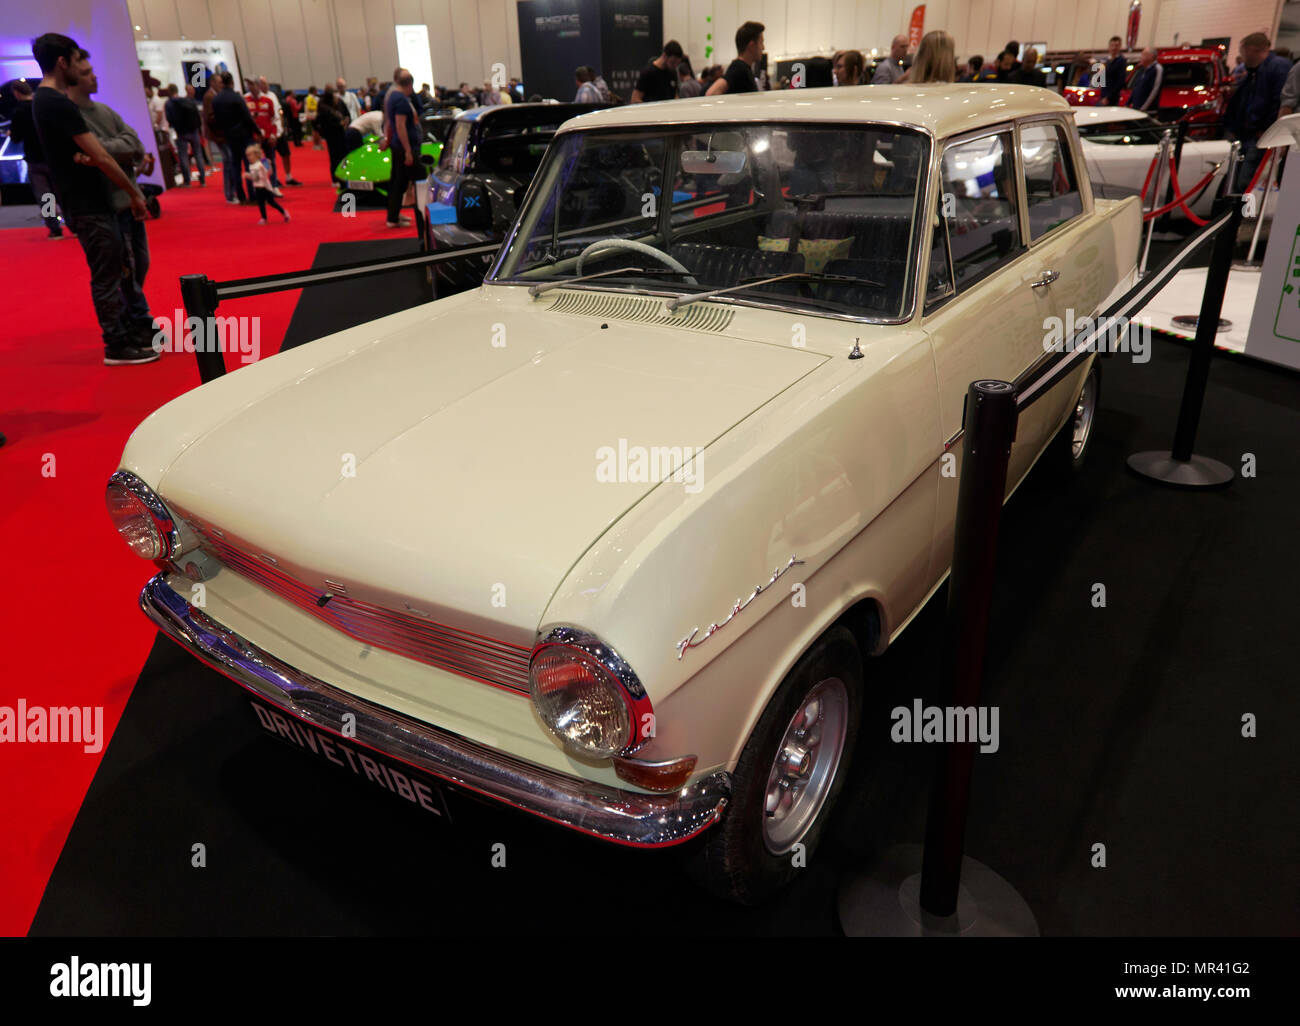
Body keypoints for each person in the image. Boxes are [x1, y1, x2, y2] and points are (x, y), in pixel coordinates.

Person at [30, 33, 155, 365]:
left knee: (121, 267)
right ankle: (116, 343)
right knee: (108, 274)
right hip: (87, 204)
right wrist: (133, 193)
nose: (86, 71)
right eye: (78, 62)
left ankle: (125, 333)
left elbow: (121, 146)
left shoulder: (50, 103)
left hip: (88, 201)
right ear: (63, 62)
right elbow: (101, 155)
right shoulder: (56, 103)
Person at [67, 54, 158, 347]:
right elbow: (119, 148)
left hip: (129, 198)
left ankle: (134, 315)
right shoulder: (72, 116)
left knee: (139, 264)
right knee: (124, 269)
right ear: (73, 77)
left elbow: (135, 144)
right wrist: (112, 152)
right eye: (86, 72)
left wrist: (101, 151)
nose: (94, 76)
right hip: (109, 203)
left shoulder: (105, 111)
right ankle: (139, 319)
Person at [1225, 32, 1292, 190]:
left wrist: (1267, 130)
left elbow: (1280, 101)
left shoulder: (1276, 68)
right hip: (1250, 133)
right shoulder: (1257, 70)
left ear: (1251, 50)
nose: (1242, 56)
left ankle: (1245, 212)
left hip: (1261, 135)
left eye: (1243, 52)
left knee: (1246, 182)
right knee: (1239, 180)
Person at [7, 80, 63, 237]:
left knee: (46, 197)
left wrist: (12, 133)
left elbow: (16, 138)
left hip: (34, 159)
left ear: (17, 93)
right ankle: (75, 225)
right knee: (62, 193)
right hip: (53, 157)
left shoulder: (18, 112)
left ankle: (55, 228)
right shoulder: (43, 106)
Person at [381, 69, 420, 229]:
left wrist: (388, 141)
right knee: (401, 182)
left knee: (398, 181)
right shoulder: (401, 100)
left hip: (398, 145)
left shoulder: (393, 97)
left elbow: (391, 124)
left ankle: (394, 215)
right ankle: (393, 218)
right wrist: (408, 151)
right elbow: (400, 125)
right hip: (403, 147)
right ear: (410, 84)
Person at [211, 72, 256, 203]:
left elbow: (217, 120)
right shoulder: (237, 97)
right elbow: (247, 117)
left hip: (229, 136)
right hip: (243, 135)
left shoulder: (217, 99)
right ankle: (252, 195)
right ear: (232, 82)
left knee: (235, 166)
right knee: (249, 165)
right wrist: (257, 131)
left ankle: (241, 196)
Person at [257, 75, 301, 185]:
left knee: (286, 153)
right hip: (267, 133)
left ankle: (288, 176)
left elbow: (278, 112)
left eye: (267, 83)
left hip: (279, 131)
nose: (266, 86)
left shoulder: (272, 95)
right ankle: (272, 177)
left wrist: (281, 126)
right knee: (268, 158)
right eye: (264, 84)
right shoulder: (259, 98)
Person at [707, 21, 765, 95]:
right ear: (752, 45)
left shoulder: (743, 68)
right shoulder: (739, 68)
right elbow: (712, 92)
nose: (763, 48)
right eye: (761, 42)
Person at [164, 83, 205, 185]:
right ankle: (203, 179)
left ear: (169, 91)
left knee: (183, 156)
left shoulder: (169, 104)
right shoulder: (186, 100)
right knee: (198, 154)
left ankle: (187, 181)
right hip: (193, 130)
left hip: (181, 132)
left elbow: (169, 119)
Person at [243, 143, 289, 224]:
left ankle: (284, 212)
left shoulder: (261, 163)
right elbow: (255, 178)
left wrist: (268, 164)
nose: (248, 157)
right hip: (257, 188)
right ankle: (264, 218)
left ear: (256, 155)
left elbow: (267, 174)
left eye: (250, 155)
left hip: (265, 188)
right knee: (261, 204)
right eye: (247, 155)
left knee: (272, 203)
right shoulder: (251, 165)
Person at [315, 84, 348, 176]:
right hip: (332, 134)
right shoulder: (324, 107)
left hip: (341, 132)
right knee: (335, 156)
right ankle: (335, 176)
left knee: (343, 154)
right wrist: (338, 124)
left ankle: (344, 174)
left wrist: (345, 121)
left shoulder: (339, 103)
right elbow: (321, 121)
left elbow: (346, 114)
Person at [1126, 48, 1163, 113]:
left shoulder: (1157, 68)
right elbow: (1136, 88)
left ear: (1151, 56)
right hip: (1136, 109)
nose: (1141, 57)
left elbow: (1155, 90)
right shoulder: (1142, 69)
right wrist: (1128, 103)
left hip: (1148, 110)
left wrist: (1143, 108)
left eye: (1143, 54)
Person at [1102, 36, 1127, 105]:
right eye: (1112, 45)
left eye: (1116, 46)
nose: (1114, 48)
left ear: (1119, 47)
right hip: (1104, 95)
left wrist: (1108, 97)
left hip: (1112, 98)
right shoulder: (1108, 61)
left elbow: (1120, 82)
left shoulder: (1121, 61)